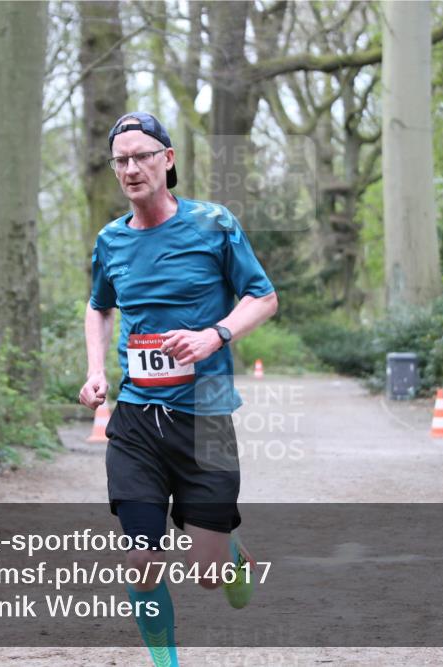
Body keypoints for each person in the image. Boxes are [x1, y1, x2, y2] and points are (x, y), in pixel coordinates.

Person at [78, 111, 278, 667]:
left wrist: (215, 336)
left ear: (168, 159)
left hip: (208, 411)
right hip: (138, 417)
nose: (131, 168)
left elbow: (263, 297)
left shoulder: (213, 224)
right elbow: (99, 307)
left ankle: (229, 555)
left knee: (209, 576)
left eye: (142, 155)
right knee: (140, 560)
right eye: (121, 160)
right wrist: (97, 370)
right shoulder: (111, 241)